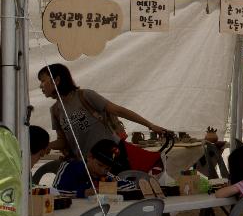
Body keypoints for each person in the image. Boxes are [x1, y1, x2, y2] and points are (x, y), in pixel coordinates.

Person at [38, 64, 170, 159]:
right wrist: (46, 146)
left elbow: (119, 111)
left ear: (57, 80)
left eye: (43, 80)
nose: (40, 86)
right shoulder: (55, 110)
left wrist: (150, 125)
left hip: (112, 156)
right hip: (87, 164)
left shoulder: (85, 95)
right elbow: (63, 141)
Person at [50, 138, 136, 197]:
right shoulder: (70, 167)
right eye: (100, 165)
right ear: (89, 157)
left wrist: (109, 188)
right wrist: (83, 193)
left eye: (107, 168)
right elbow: (55, 192)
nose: (102, 171)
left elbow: (132, 185)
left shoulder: (106, 175)